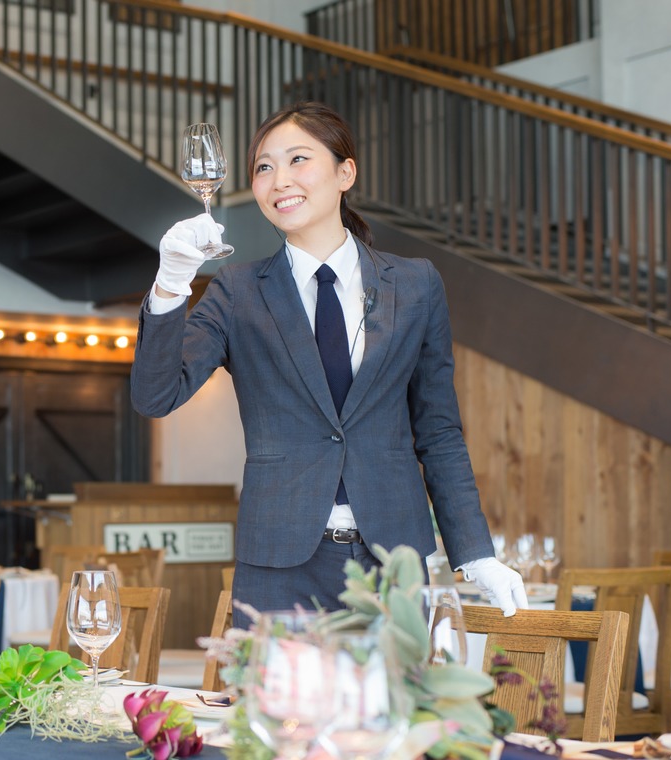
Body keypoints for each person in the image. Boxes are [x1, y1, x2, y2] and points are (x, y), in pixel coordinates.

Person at [130, 102, 527, 623]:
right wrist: (170, 285)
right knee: (272, 684)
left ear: (346, 173)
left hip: (394, 563)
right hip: (279, 564)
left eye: (298, 159)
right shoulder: (237, 291)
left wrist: (475, 554)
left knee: (395, 683)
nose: (279, 180)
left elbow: (438, 430)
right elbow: (155, 396)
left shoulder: (415, 284)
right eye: (264, 167)